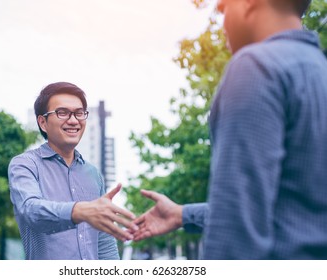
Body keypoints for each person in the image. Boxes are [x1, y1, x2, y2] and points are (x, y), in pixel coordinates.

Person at [134, 0, 327, 259]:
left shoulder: (256, 67)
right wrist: (183, 214)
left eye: (222, 8)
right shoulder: (319, 71)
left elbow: (236, 226)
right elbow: (292, 210)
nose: (222, 22)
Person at [8, 82, 137, 260]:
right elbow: (31, 211)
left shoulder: (93, 174)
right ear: (43, 122)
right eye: (62, 113)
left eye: (79, 113)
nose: (74, 120)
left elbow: (104, 243)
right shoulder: (25, 164)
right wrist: (79, 211)